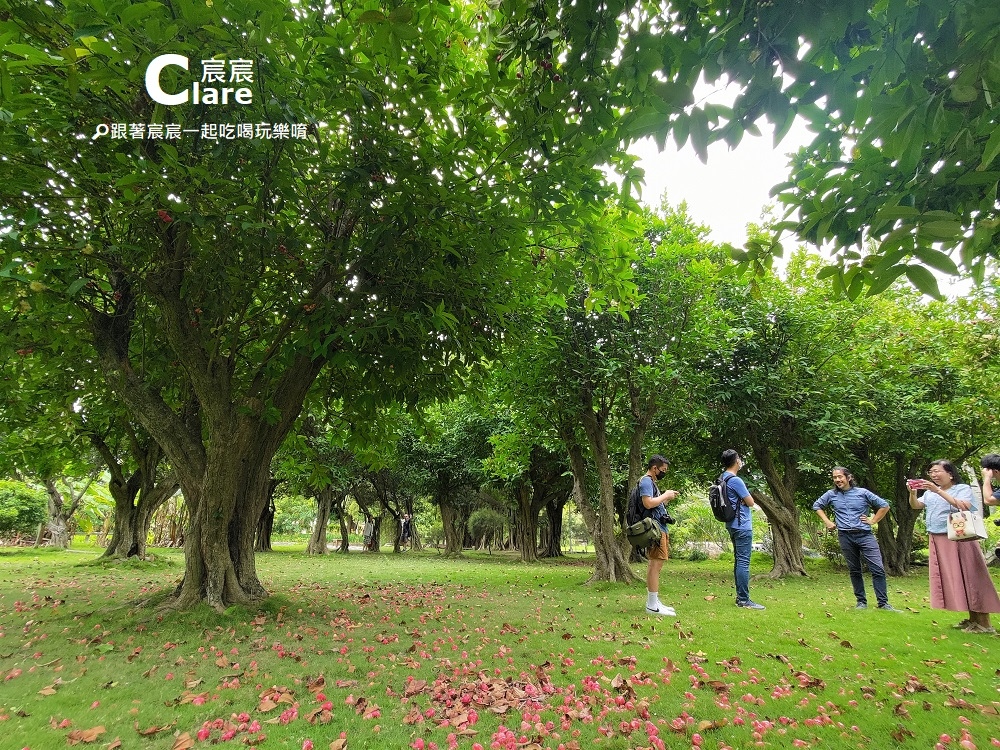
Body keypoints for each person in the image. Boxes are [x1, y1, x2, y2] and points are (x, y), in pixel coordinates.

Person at [910, 459, 1000, 634]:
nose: (934, 475)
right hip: (938, 538)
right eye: (931, 472)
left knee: (971, 576)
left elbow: (964, 505)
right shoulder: (929, 493)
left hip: (960, 538)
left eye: (937, 471)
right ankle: (972, 620)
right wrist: (912, 493)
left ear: (950, 473)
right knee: (957, 579)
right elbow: (916, 505)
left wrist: (937, 491)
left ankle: (984, 623)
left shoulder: (962, 488)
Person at [813, 467, 899, 612]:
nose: (837, 480)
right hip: (845, 536)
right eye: (834, 478)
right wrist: (827, 522)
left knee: (877, 568)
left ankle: (883, 603)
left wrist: (873, 520)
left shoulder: (863, 493)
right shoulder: (831, 494)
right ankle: (861, 602)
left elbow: (884, 505)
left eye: (840, 477)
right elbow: (817, 506)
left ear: (849, 477)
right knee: (854, 570)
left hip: (865, 535)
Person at [720, 449, 764, 610]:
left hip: (731, 524)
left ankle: (741, 596)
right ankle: (744, 599)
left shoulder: (722, 478)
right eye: (739, 458)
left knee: (739, 560)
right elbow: (750, 501)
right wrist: (745, 501)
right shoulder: (735, 480)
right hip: (742, 524)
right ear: (736, 461)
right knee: (743, 562)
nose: (740, 461)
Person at [638, 455, 679, 616]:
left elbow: (654, 504)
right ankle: (652, 605)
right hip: (655, 529)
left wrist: (665, 499)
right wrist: (665, 495)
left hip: (659, 527)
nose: (664, 473)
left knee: (656, 565)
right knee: (655, 565)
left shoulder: (651, 483)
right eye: (663, 470)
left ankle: (654, 601)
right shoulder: (646, 481)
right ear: (654, 468)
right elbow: (647, 503)